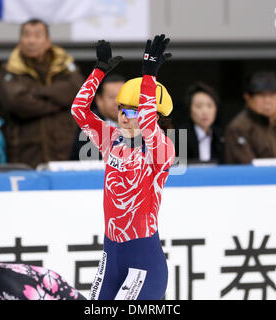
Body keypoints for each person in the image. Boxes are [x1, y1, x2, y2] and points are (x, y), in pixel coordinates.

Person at [71, 35, 175, 300]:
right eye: (121, 110)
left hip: (144, 260)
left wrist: (149, 75)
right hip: (112, 254)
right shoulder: (111, 139)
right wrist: (98, 71)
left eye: (133, 111)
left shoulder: (162, 150)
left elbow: (149, 126)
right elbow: (79, 111)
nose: (124, 117)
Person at [0, 18, 85, 168]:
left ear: (47, 41)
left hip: (64, 150)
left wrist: (36, 91)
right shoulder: (9, 69)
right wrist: (58, 105)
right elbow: (15, 102)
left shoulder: (64, 64)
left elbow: (78, 90)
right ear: (20, 41)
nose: (31, 41)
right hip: (25, 153)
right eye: (26, 35)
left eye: (37, 36)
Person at [71, 74, 125, 160]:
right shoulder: (87, 125)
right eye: (111, 97)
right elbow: (89, 158)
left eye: (122, 97)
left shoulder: (138, 122)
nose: (117, 102)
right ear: (99, 100)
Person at [177, 82, 224, 164]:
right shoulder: (179, 136)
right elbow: (175, 171)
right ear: (189, 109)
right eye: (199, 106)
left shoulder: (220, 136)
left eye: (210, 106)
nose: (205, 111)